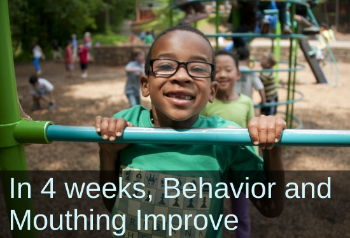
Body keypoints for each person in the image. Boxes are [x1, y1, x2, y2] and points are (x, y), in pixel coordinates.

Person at [94, 25, 286, 238]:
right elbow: (112, 203)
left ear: (212, 91)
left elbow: (271, 206)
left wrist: (272, 148)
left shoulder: (224, 138)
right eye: (166, 65)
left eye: (198, 68)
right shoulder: (128, 125)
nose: (182, 76)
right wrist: (108, 152)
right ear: (145, 84)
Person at [200, 50, 256, 238]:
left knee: (241, 213)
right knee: (208, 211)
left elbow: (252, 135)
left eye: (228, 69)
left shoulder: (246, 102)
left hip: (239, 168)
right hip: (213, 167)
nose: (222, 74)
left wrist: (255, 165)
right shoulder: (205, 105)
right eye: (218, 70)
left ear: (238, 74)